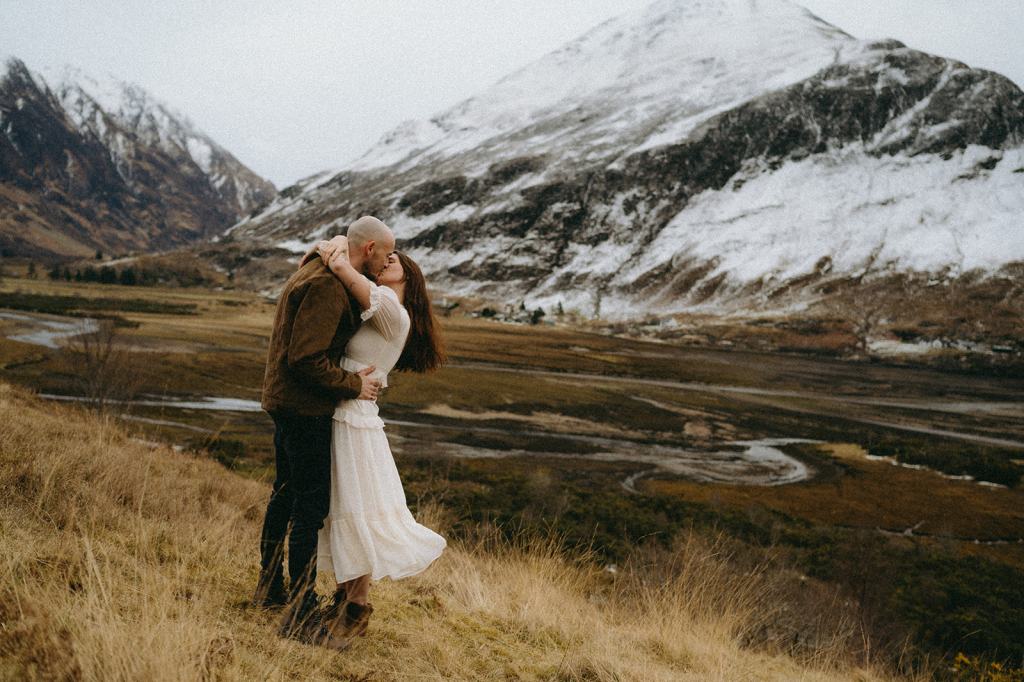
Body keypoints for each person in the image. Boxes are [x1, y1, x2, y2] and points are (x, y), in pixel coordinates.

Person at [255, 216, 394, 649]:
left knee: (286, 494)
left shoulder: (318, 270)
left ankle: (270, 589)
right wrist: (356, 384)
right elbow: (306, 358)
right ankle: (298, 612)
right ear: (368, 249)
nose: (387, 262)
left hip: (287, 402)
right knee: (309, 510)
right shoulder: (327, 286)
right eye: (386, 253)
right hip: (304, 406)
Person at [311, 235, 447, 641]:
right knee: (347, 506)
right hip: (352, 411)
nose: (389, 259)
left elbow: (340, 267)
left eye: (396, 260)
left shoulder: (389, 306)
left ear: (410, 278)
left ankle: (355, 608)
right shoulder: (384, 308)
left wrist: (335, 250)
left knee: (356, 509)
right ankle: (344, 601)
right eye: (386, 255)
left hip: (353, 416)